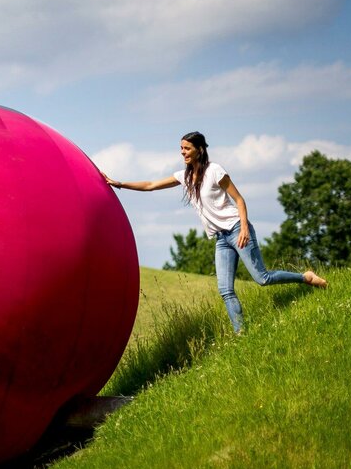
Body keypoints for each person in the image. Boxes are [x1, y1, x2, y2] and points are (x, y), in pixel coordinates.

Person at [101, 131, 327, 334]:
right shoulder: (184, 176)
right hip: (220, 238)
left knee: (262, 278)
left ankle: (305, 278)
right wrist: (119, 183)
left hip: (237, 229)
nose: (183, 153)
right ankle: (241, 333)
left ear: (199, 150)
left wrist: (245, 227)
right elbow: (151, 185)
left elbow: (239, 199)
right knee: (225, 290)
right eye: (181, 149)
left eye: (187, 148)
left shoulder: (215, 171)